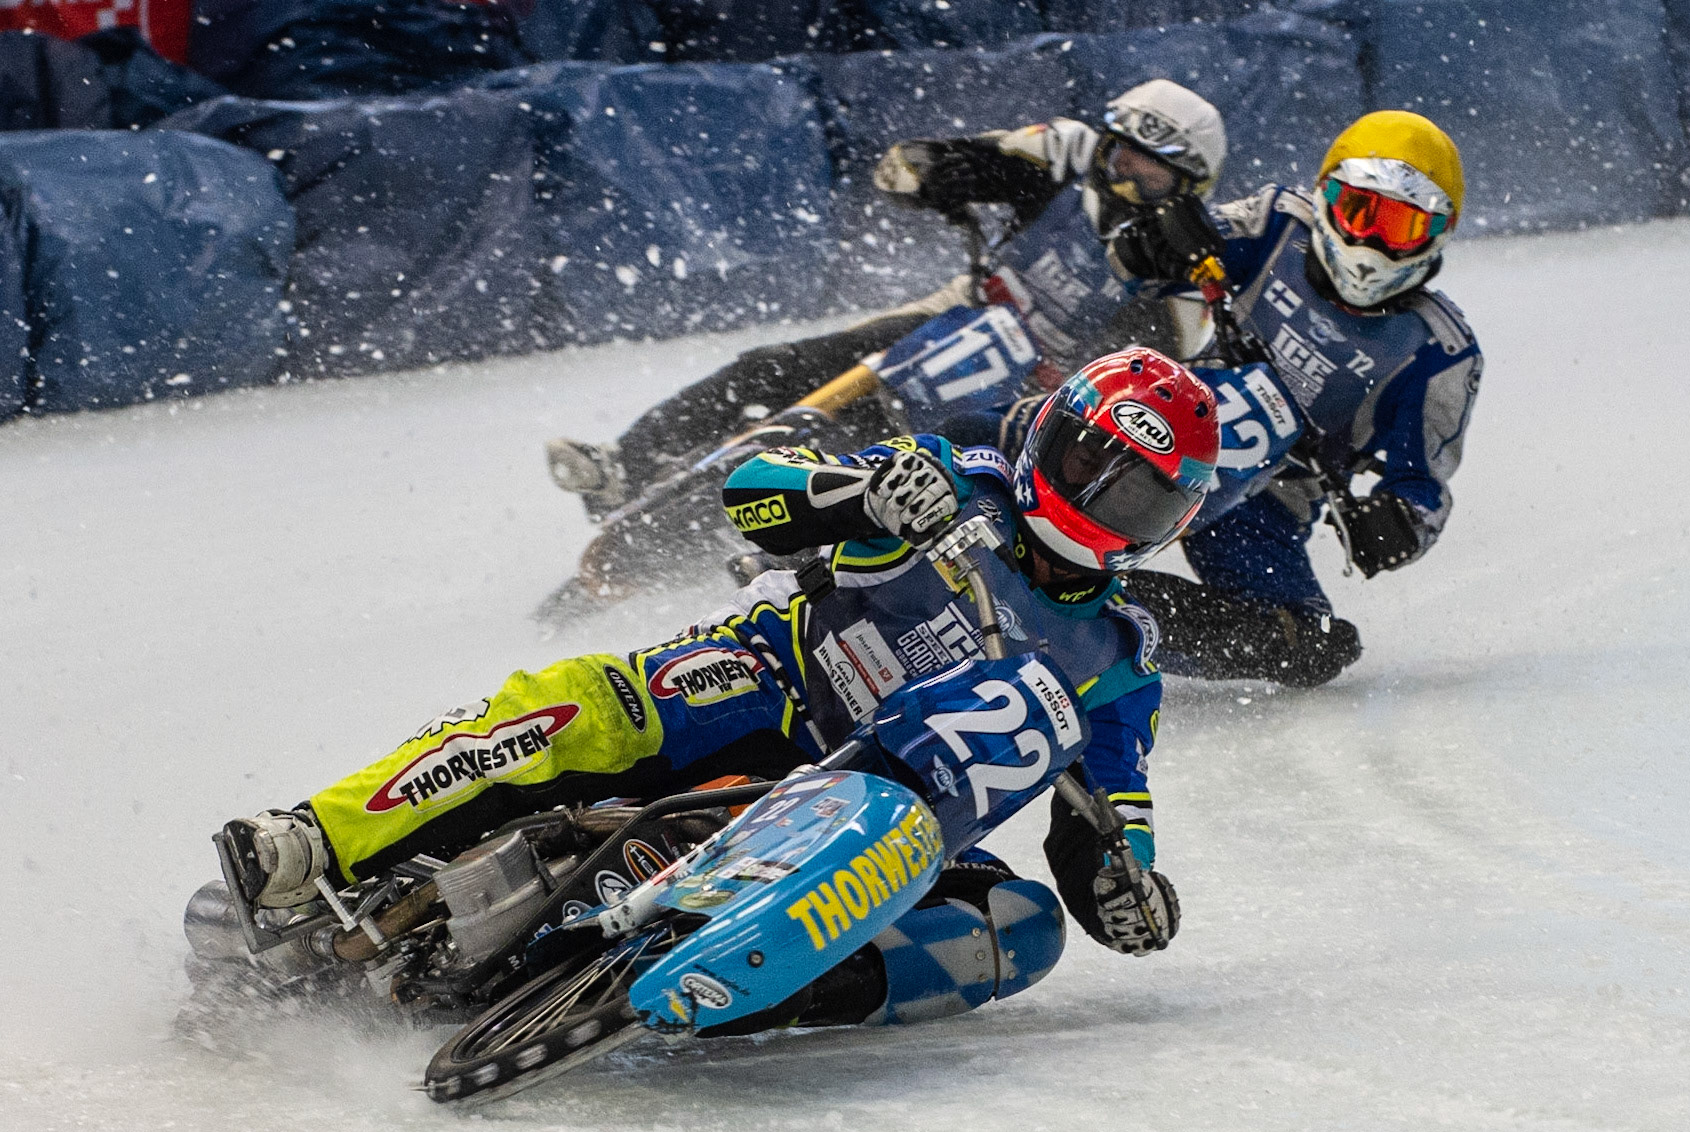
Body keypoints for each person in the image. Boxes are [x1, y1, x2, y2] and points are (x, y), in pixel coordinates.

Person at [218, 348, 1218, 1029]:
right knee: (587, 701)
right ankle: (316, 839)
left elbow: (1109, 822)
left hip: (886, 826)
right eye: (1091, 460)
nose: (1097, 498)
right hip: (772, 682)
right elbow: (754, 493)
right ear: (1051, 432)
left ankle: (741, 990)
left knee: (1020, 929)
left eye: (1135, 494)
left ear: (1167, 523)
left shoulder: (1119, 659)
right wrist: (860, 494)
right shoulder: (953, 473)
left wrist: (1124, 890)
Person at [544, 79, 1228, 521]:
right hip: (964, 309)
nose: (1125, 178)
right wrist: (935, 171)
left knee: (862, 448)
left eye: (1150, 173)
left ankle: (715, 537)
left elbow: (1150, 369)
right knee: (778, 366)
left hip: (1035, 386)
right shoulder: (1068, 149)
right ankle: (623, 463)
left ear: (1188, 186)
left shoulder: (1190, 268)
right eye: (1121, 157)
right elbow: (933, 162)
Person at [1101, 110, 1484, 688]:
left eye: (1399, 228)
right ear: (1323, 194)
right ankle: (1001, 474)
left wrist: (1398, 524)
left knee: (1308, 647)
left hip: (1269, 502)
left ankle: (1110, 612)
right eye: (1358, 212)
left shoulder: (1440, 351)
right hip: (1159, 419)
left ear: (1438, 234)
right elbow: (1140, 258)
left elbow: (1423, 484)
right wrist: (1154, 242)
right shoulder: (1274, 222)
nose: (1369, 243)